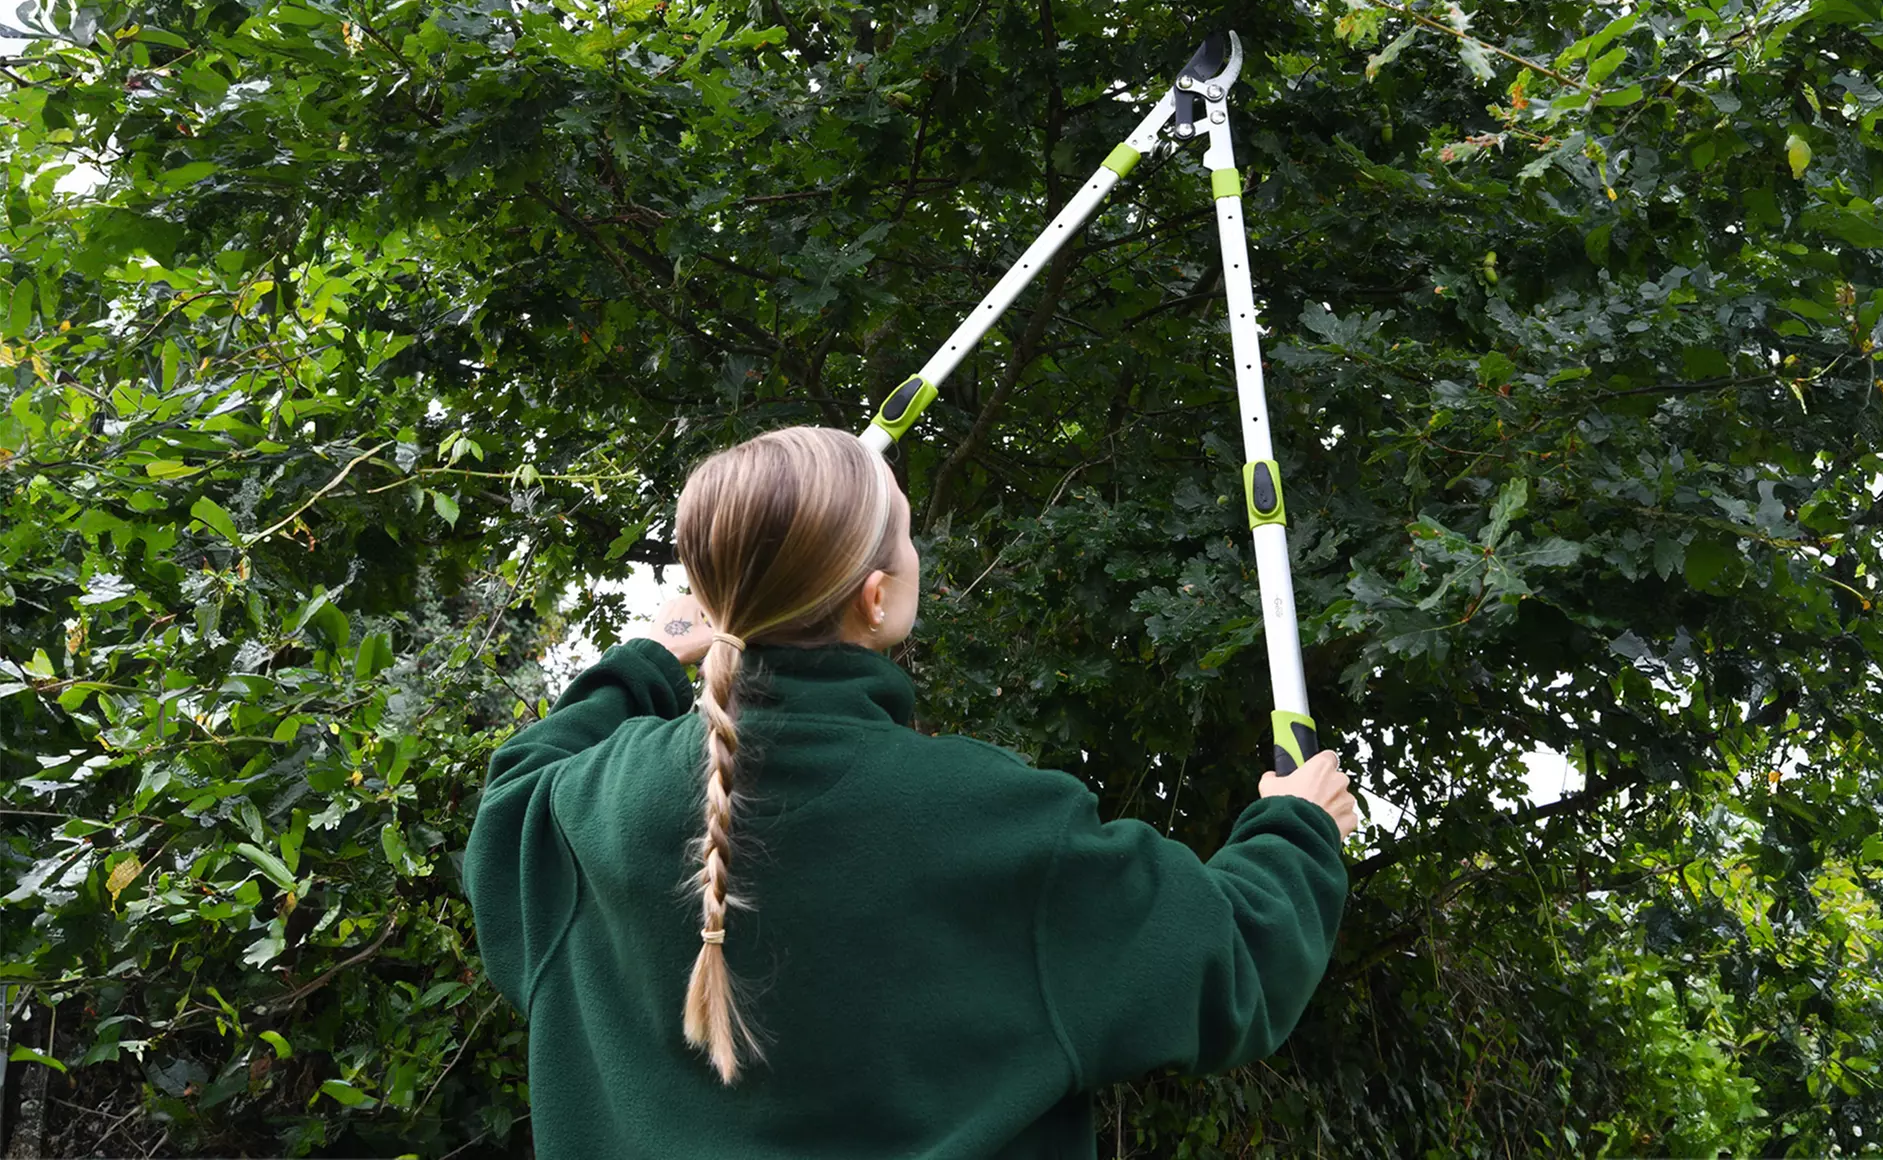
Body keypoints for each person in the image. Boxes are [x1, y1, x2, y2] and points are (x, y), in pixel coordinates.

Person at [464, 425, 1360, 1159]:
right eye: (904, 528)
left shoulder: (584, 807)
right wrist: (1298, 830)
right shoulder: (997, 823)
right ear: (877, 597)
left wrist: (653, 655)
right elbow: (1232, 962)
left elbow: (515, 787)